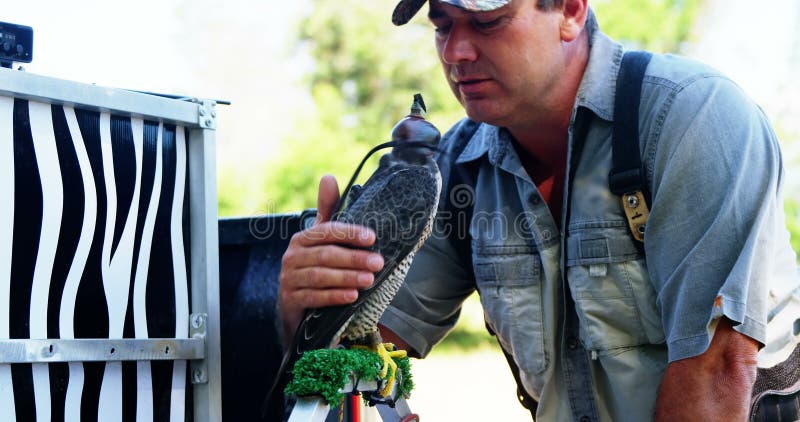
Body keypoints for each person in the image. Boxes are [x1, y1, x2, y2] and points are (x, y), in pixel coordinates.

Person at [276, 0, 800, 420]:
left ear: (570, 11)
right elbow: (361, 345)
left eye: (487, 21)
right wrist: (313, 301)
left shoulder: (693, 119)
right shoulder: (453, 169)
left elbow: (717, 375)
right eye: (442, 26)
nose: (456, 51)